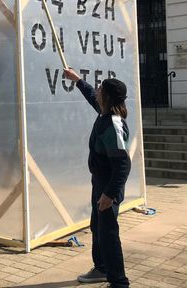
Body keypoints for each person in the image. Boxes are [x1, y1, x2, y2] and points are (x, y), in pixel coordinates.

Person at [63, 67, 131, 288]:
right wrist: (77, 80)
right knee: (98, 228)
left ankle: (119, 282)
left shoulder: (112, 124)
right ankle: (102, 268)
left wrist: (109, 195)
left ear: (108, 97)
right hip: (101, 184)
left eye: (101, 88)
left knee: (108, 235)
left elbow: (122, 164)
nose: (98, 90)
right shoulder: (105, 112)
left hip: (108, 188)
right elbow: (92, 97)